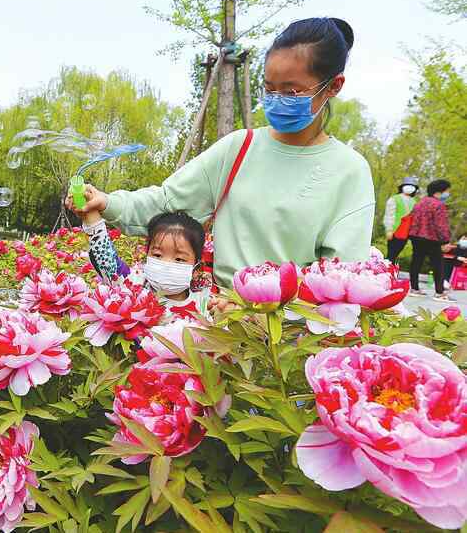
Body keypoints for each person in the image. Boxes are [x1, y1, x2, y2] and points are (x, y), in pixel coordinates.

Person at [68, 17, 375, 296]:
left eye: (291, 92)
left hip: (291, 338)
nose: (277, 100)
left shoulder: (349, 171)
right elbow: (167, 203)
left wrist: (260, 307)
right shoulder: (240, 148)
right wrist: (108, 203)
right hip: (220, 323)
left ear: (333, 86)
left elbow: (339, 278)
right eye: (269, 89)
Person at [82, 208, 210, 321]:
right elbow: (106, 260)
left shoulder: (205, 304)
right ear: (147, 255)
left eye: (179, 259)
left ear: (196, 269)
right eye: (157, 255)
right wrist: (90, 214)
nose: (165, 264)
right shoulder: (134, 286)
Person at [408, 179, 455, 302]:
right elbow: (441, 225)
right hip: (431, 238)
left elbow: (411, 218)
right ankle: (439, 293)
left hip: (416, 236)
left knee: (416, 262)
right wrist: (445, 241)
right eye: (447, 191)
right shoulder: (438, 205)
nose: (447, 193)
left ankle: (414, 289)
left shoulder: (420, 203)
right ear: (440, 191)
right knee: (437, 264)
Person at [383, 176, 419, 264]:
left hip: (406, 232)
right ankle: (386, 270)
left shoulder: (414, 202)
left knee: (396, 253)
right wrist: (389, 229)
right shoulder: (394, 199)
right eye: (407, 185)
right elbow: (389, 214)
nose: (410, 187)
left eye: (412, 186)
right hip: (395, 229)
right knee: (391, 253)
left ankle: (391, 269)